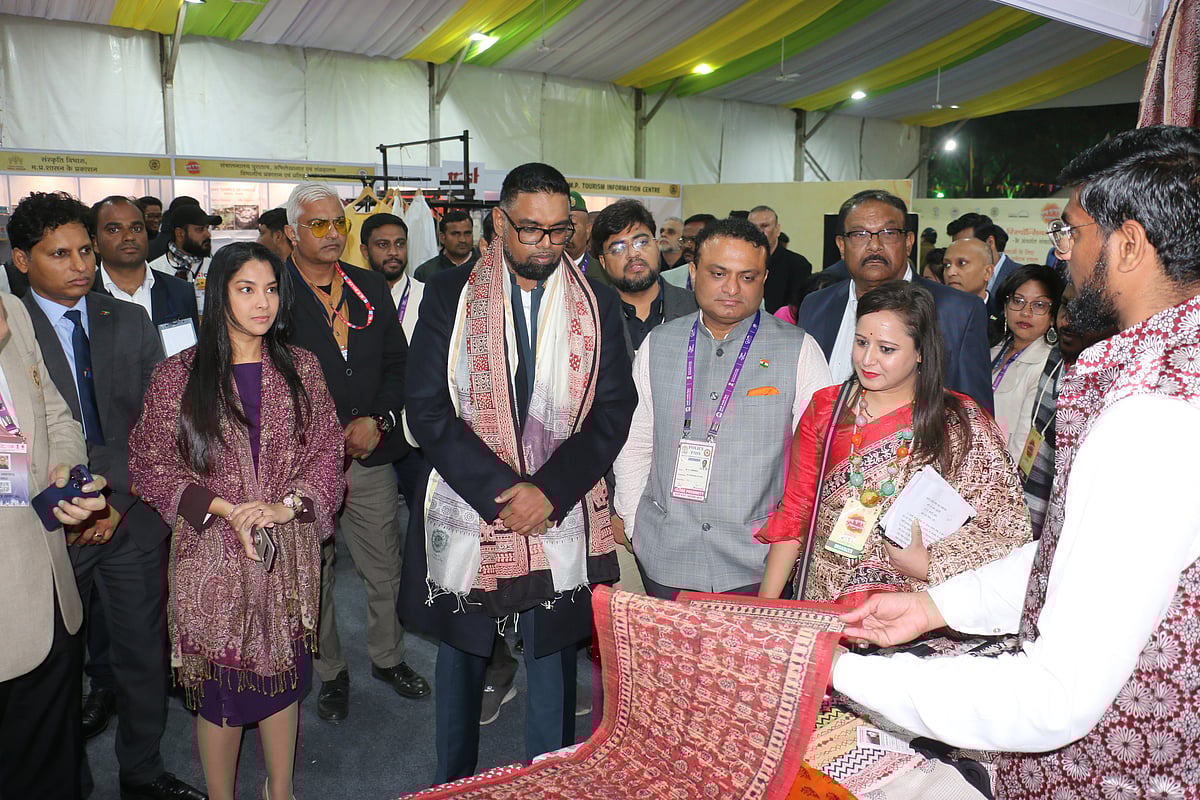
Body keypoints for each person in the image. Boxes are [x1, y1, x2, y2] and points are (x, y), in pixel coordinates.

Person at [834, 125, 1200, 797]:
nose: (1063, 256)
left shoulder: (1156, 412)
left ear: (1127, 245)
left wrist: (831, 672)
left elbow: (1055, 695)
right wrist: (937, 606)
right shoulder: (1166, 369)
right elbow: (1085, 552)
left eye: (1073, 233)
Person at [399, 162, 636, 783]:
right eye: (530, 230)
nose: (545, 246)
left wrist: (550, 493)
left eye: (559, 233)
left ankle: (549, 783)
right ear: (500, 222)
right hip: (473, 506)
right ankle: (453, 784)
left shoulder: (598, 303)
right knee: (460, 662)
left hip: (561, 509)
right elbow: (426, 407)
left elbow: (615, 411)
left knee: (554, 664)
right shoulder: (447, 294)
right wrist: (503, 494)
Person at [129, 242, 344, 800]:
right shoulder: (179, 374)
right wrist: (226, 509)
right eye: (246, 289)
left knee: (283, 679)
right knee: (222, 687)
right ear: (217, 292)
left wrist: (286, 506)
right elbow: (150, 464)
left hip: (285, 550)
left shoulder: (301, 367)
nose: (262, 302)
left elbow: (326, 453)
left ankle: (282, 790)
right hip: (212, 556)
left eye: (271, 289)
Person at [10, 191, 203, 800]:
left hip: (131, 516)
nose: (79, 265)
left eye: (84, 251)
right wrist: (75, 505)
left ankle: (142, 773)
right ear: (21, 260)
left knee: (144, 657)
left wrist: (114, 501)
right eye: (58, 254)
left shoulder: (129, 319)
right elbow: (27, 430)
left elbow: (159, 422)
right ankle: (66, 779)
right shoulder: (11, 327)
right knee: (52, 666)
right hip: (47, 529)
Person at [758, 281, 1029, 604]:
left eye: (886, 349)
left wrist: (928, 563)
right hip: (824, 601)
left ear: (920, 352)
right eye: (861, 343)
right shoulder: (826, 408)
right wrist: (766, 606)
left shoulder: (957, 421)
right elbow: (796, 511)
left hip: (911, 610)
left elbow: (1007, 529)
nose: (868, 360)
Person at [612, 216, 831, 599]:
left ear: (764, 279)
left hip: (756, 562)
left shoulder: (798, 350)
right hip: (665, 554)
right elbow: (635, 442)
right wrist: (634, 525)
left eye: (748, 277)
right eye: (718, 273)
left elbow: (818, 460)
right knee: (669, 660)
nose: (732, 288)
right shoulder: (658, 346)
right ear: (693, 271)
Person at [282, 183, 429, 721]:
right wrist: (319, 434)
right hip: (301, 464)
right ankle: (330, 672)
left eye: (337, 223)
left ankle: (388, 659)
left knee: (384, 566)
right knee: (314, 575)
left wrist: (381, 421)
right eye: (317, 224)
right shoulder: (274, 293)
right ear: (292, 233)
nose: (330, 233)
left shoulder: (368, 285)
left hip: (368, 453)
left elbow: (399, 364)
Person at [0, 291, 113, 800]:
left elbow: (55, 415)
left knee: (51, 767)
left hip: (46, 589)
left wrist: (63, 469)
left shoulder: (12, 309)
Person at [798, 189, 993, 411]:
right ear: (842, 246)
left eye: (888, 233)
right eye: (860, 234)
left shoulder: (958, 312)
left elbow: (977, 416)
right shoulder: (815, 306)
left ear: (908, 241)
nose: (874, 246)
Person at [1022, 278, 1117, 539]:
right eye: (1065, 306)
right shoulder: (1056, 357)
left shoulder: (1116, 384)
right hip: (1034, 519)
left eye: (1084, 312)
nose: (1066, 321)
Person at [591, 199, 696, 355]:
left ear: (656, 245)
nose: (633, 254)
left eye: (641, 242)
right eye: (618, 248)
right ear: (603, 261)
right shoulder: (591, 317)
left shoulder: (695, 308)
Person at [91, 195, 199, 337]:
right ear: (95, 243)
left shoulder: (180, 292)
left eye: (136, 228)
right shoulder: (85, 297)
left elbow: (193, 354)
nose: (129, 237)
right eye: (114, 230)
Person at [989, 264, 1063, 464]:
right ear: (1005, 307)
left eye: (1039, 305)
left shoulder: (1049, 365)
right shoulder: (991, 351)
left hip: (1004, 472)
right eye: (1018, 301)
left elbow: (1025, 438)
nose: (1025, 312)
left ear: (1052, 316)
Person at [148, 204, 221, 313]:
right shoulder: (155, 270)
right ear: (180, 233)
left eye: (207, 228)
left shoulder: (216, 268)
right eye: (200, 229)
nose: (207, 234)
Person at [748, 204, 813, 314]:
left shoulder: (797, 265)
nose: (759, 232)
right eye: (753, 227)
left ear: (777, 230)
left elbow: (796, 310)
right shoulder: (740, 264)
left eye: (764, 226)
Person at [413, 210, 476, 282]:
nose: (463, 239)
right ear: (442, 237)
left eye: (467, 233)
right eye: (456, 234)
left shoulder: (485, 267)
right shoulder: (426, 272)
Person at [662, 213, 718, 289]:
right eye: (684, 240)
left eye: (693, 240)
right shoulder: (668, 278)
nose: (686, 245)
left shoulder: (725, 276)